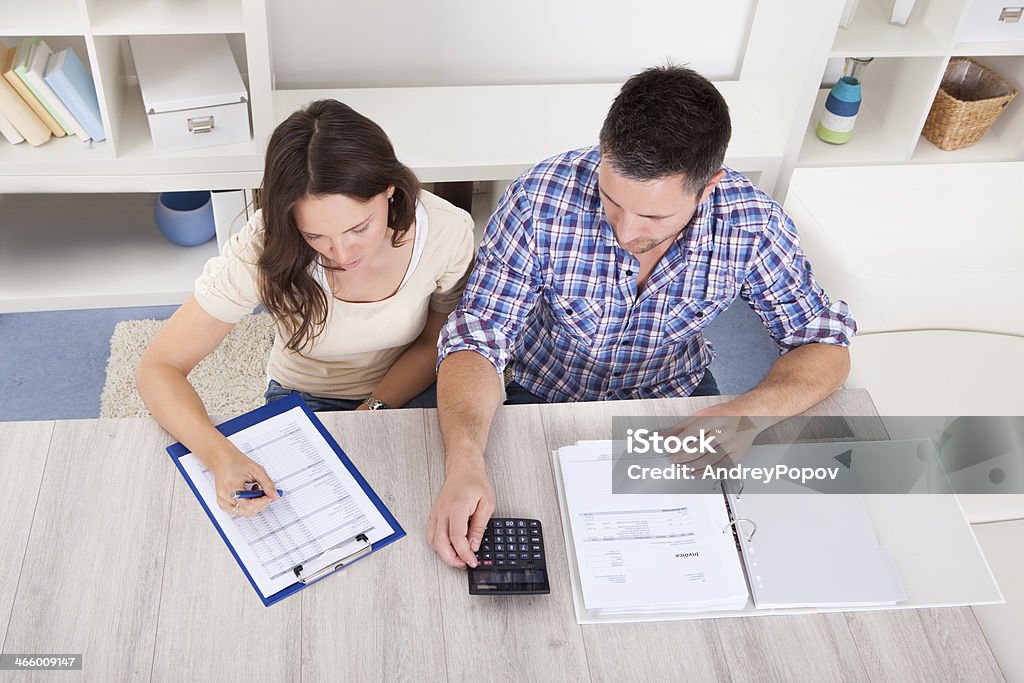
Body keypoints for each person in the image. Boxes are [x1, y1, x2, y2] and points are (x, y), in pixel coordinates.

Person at [426, 65, 857, 568]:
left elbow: (823, 344)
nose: (627, 231)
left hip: (674, 398)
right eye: (612, 201)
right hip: (536, 389)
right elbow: (477, 338)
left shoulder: (753, 223)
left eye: (654, 216)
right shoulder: (538, 200)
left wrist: (748, 414)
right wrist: (464, 459)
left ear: (708, 185)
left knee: (721, 558)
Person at [137, 99, 475, 518]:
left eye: (359, 227)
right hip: (306, 396)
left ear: (390, 190)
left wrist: (372, 409)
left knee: (446, 508)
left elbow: (436, 341)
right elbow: (159, 367)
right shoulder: (264, 244)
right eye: (315, 236)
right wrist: (220, 455)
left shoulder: (446, 230)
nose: (342, 252)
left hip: (408, 386)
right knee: (289, 521)